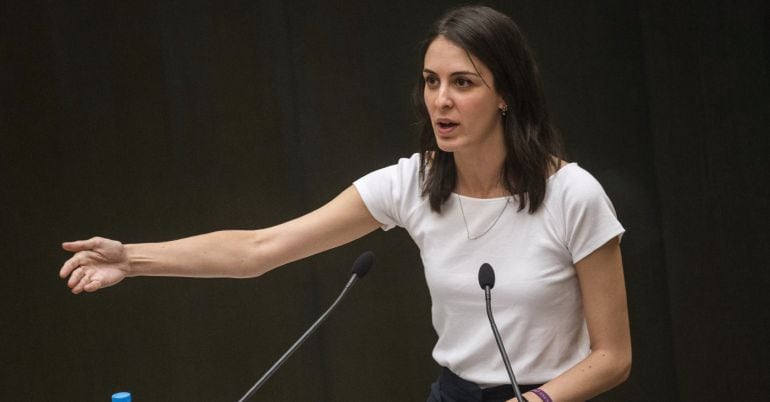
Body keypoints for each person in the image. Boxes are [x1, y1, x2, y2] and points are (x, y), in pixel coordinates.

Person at [59, 5, 630, 402]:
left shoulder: (572, 196)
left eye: (464, 83)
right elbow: (260, 248)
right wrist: (132, 257)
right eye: (431, 81)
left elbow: (612, 357)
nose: (441, 100)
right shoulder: (413, 184)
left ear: (506, 95)